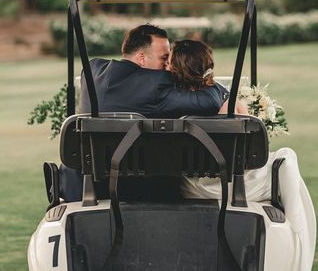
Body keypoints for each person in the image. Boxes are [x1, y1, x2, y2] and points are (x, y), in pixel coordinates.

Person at [172, 40, 316, 271]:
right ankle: (300, 251)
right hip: (227, 184)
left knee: (284, 162)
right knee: (286, 159)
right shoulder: (229, 105)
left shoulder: (170, 105)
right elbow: (253, 153)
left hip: (189, 184)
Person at [59, 25, 228, 201]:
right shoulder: (156, 85)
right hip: (137, 188)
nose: (167, 65)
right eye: (164, 58)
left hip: (84, 186)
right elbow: (210, 101)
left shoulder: (92, 70)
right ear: (141, 58)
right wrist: (210, 79)